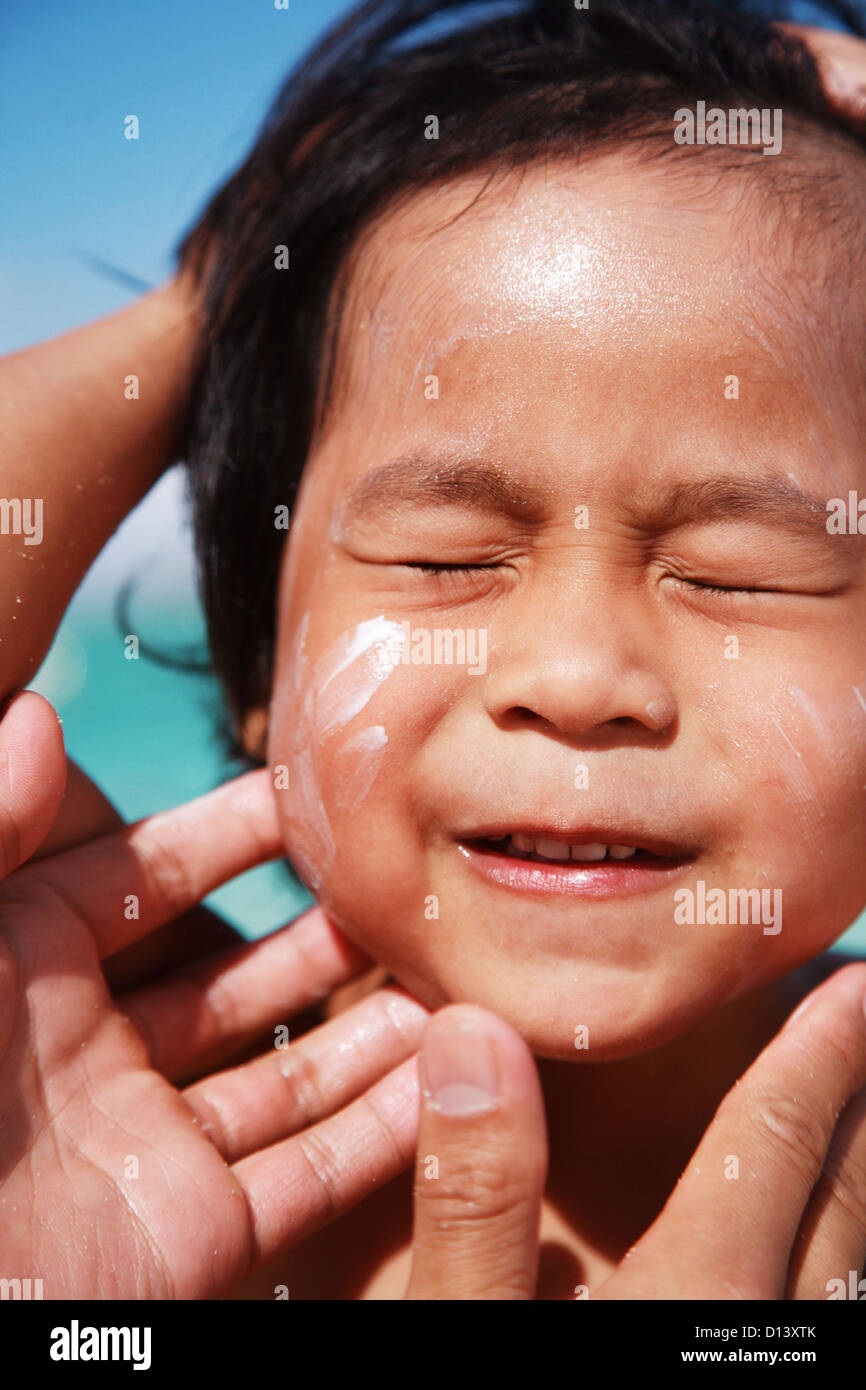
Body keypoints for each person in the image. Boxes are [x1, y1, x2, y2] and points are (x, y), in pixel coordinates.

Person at [2, 0, 866, 1301]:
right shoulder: (93, 1144)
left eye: (734, 570)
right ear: (259, 664)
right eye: (444, 557)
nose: (575, 680)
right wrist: (216, 294)